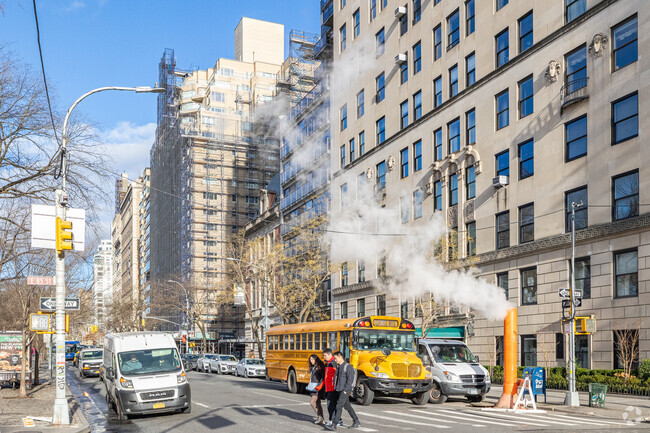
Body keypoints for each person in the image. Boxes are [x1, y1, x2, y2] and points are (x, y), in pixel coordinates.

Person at [325, 351, 360, 430]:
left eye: (336, 358)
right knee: (347, 406)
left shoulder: (348, 366)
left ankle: (334, 424)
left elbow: (350, 380)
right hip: (339, 389)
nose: (335, 360)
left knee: (339, 406)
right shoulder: (339, 366)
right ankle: (356, 421)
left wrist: (345, 390)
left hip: (345, 390)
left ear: (340, 357)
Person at [322, 348, 340, 428]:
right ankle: (337, 420)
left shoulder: (333, 363)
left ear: (330, 354)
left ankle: (333, 420)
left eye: (325, 355)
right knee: (332, 404)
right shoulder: (328, 363)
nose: (324, 357)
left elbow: (336, 377)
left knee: (331, 404)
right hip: (329, 386)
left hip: (333, 387)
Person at [308, 354, 326, 424]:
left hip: (318, 387)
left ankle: (319, 416)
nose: (311, 361)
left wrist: (320, 385)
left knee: (312, 402)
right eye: (310, 360)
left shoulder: (320, 366)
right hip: (313, 386)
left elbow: (323, 376)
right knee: (318, 403)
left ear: (316, 359)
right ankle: (322, 418)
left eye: (312, 359)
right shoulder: (313, 367)